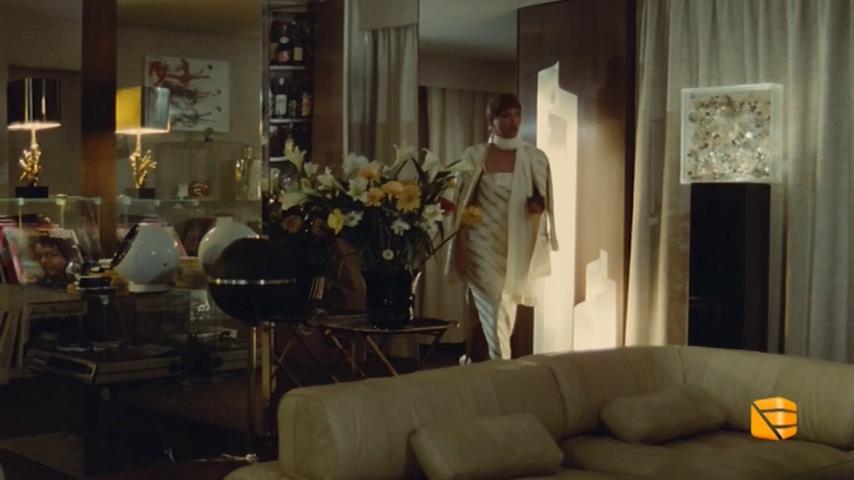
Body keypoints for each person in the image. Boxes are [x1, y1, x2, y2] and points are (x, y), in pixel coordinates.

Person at [447, 93, 559, 360]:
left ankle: (490, 367)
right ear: (491, 121)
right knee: (495, 306)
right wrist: (460, 245)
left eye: (517, 114)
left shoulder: (535, 157)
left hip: (517, 244)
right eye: (505, 115)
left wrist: (536, 206)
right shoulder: (475, 156)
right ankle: (503, 368)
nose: (513, 121)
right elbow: (462, 204)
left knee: (506, 309)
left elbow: (542, 200)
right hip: (481, 243)